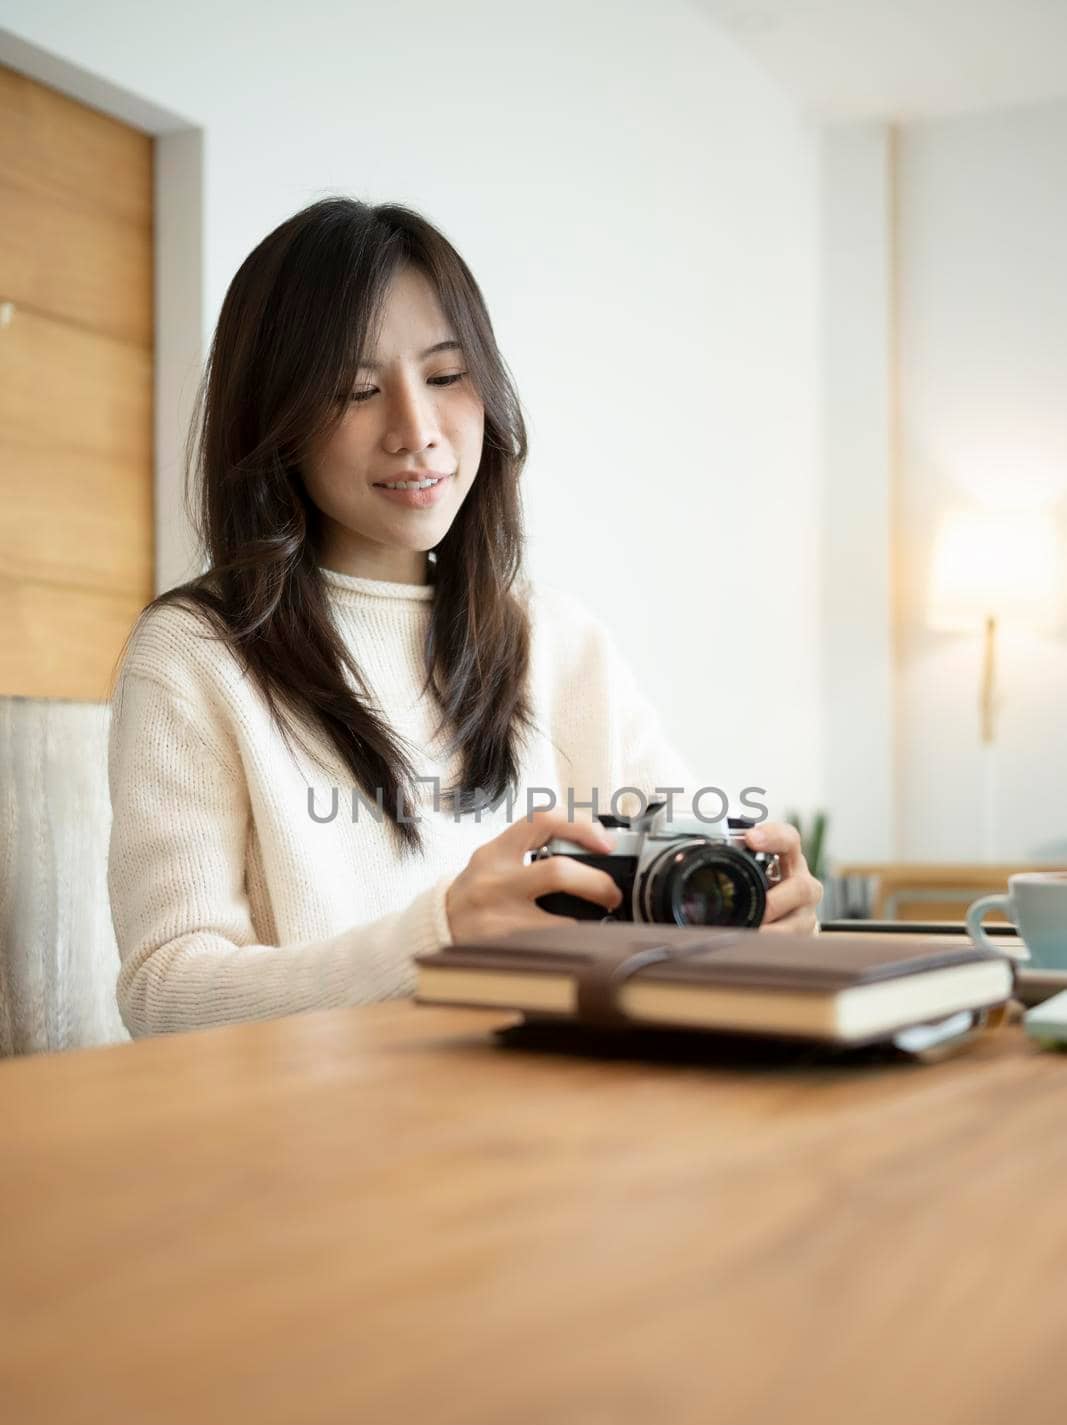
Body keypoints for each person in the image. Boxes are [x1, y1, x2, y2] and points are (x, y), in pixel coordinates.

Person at [107, 197, 821, 1039]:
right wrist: (439, 941)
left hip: (555, 1125)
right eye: (356, 389)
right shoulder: (197, 654)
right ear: (275, 420)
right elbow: (164, 994)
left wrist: (759, 919)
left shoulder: (555, 640)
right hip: (317, 1145)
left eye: (446, 377)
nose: (417, 432)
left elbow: (685, 886)